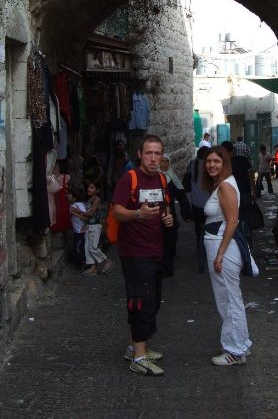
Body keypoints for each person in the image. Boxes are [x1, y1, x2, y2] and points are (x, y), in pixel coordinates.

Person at [111, 134, 174, 377]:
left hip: (155, 249)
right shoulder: (130, 178)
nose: (153, 158)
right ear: (140, 154)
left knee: (151, 299)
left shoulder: (161, 179)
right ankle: (139, 357)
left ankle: (133, 346)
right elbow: (117, 211)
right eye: (149, 153)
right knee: (142, 301)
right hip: (134, 252)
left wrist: (167, 218)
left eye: (157, 153)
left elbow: (165, 207)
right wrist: (138, 215)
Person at [202, 146, 256, 366]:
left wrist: (221, 253)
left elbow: (232, 221)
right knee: (232, 298)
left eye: (217, 161)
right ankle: (241, 343)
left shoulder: (225, 186)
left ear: (225, 163)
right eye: (209, 161)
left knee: (227, 299)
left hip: (221, 245)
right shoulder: (223, 184)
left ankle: (235, 351)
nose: (212, 165)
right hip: (219, 245)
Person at [159, 153, 192, 277]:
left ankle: (168, 268)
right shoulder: (153, 177)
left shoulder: (173, 178)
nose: (164, 164)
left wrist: (187, 213)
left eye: (166, 161)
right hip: (155, 215)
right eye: (161, 161)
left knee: (170, 242)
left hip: (170, 214)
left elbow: (182, 196)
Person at [73, 180, 113, 276]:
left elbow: (91, 214)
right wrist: (76, 214)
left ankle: (107, 260)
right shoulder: (89, 200)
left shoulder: (96, 199)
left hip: (95, 226)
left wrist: (78, 211)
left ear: (97, 190)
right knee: (87, 248)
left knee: (93, 248)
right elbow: (87, 217)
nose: (89, 189)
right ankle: (93, 268)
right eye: (89, 187)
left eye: (92, 187)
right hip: (89, 226)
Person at [221, 141, 256, 247]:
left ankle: (241, 241)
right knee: (246, 215)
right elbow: (251, 176)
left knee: (236, 219)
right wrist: (254, 191)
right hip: (245, 192)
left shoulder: (224, 164)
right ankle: (248, 235)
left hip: (232, 196)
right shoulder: (243, 160)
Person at [188, 145, 211, 273]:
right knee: (208, 225)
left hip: (196, 201)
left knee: (198, 225)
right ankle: (206, 245)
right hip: (208, 201)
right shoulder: (208, 165)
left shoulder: (193, 164)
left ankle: (199, 243)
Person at [68, 184, 86, 269]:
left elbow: (85, 217)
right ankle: (79, 261)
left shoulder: (77, 205)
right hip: (77, 230)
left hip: (80, 231)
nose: (67, 195)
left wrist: (75, 213)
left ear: (74, 197)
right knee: (78, 245)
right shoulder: (74, 205)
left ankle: (83, 263)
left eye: (69, 194)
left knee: (80, 247)